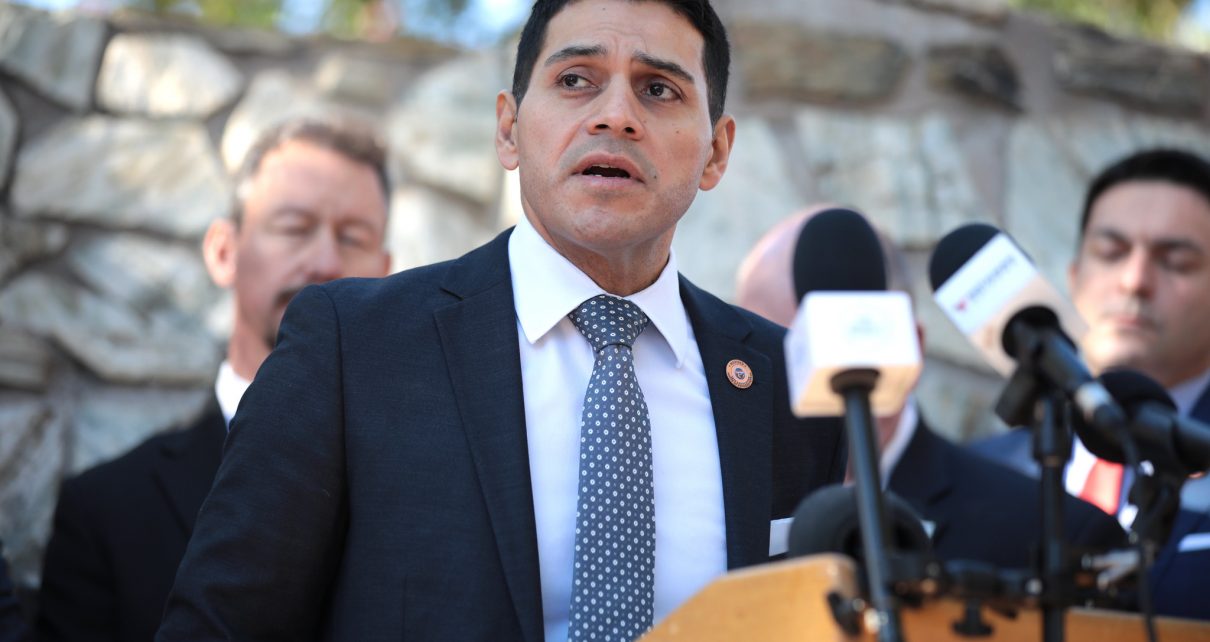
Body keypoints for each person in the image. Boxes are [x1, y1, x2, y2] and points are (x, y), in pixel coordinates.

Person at [157, 1, 846, 640]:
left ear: (717, 152)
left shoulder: (789, 386)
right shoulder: (354, 347)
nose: (616, 116)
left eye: (658, 90)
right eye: (577, 80)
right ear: (509, 128)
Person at [35, 118, 393, 642]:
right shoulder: (106, 511)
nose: (323, 262)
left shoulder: (435, 488)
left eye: (353, 237)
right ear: (224, 251)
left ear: (387, 274)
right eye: (294, 227)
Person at [735, 207, 1126, 569]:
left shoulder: (1054, 533)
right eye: (764, 353)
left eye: (808, 347)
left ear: (912, 345)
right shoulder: (727, 521)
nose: (794, 377)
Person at [970, 148, 1210, 619]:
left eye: (1176, 261)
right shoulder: (984, 474)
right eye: (1111, 253)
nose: (1135, 280)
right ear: (1075, 278)